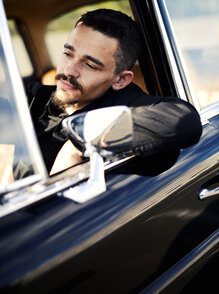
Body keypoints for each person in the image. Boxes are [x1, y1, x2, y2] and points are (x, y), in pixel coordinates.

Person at [27, 9, 202, 176]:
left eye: (90, 65)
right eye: (68, 53)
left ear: (120, 80)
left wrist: (79, 142)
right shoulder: (31, 98)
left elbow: (185, 120)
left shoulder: (126, 104)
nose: (69, 70)